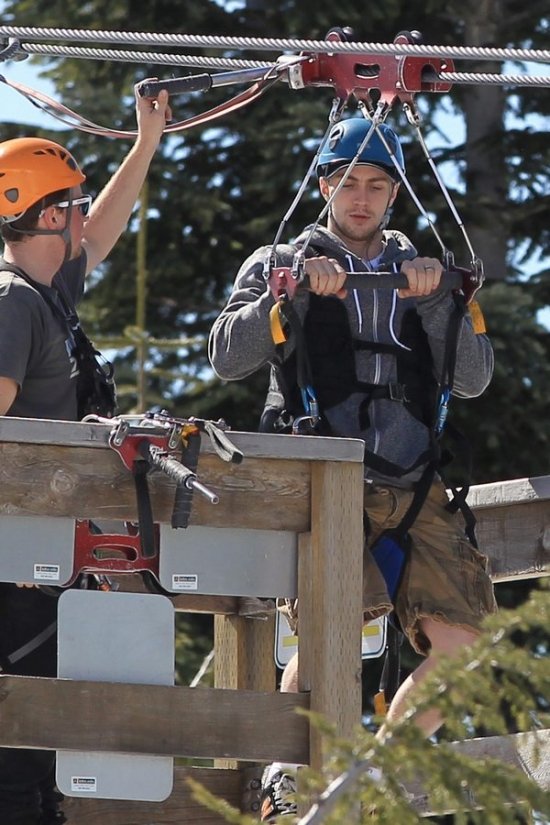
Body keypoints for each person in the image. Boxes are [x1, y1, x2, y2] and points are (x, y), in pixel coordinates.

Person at [208, 116, 498, 821]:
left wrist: (436, 302)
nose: (360, 197)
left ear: (394, 194)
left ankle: (376, 771)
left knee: (468, 647)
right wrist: (291, 294)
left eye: (375, 184)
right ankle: (291, 775)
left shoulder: (421, 267)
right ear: (324, 185)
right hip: (322, 472)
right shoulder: (281, 256)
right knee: (333, 632)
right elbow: (227, 355)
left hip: (411, 477)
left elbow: (473, 378)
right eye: (346, 183)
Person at [0, 82, 171, 825]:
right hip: (15, 567)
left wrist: (146, 143)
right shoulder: (12, 302)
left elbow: (99, 235)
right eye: (71, 202)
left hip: (41, 559)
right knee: (18, 756)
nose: (80, 213)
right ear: (44, 216)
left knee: (40, 757)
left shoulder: (49, 295)